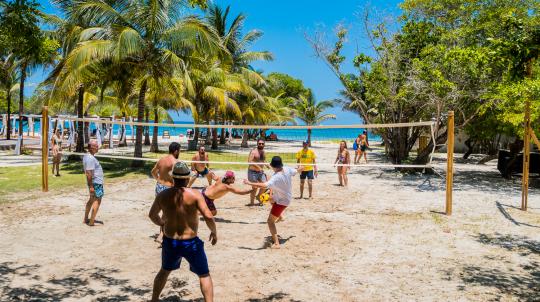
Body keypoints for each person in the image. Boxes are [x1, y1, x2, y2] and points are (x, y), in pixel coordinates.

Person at [149, 161, 217, 302]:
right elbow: (209, 216)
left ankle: (154, 299)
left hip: (171, 241)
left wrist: (162, 223)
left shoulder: (163, 195)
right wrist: (214, 232)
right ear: (187, 178)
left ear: (173, 178)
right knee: (204, 275)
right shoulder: (195, 194)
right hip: (191, 242)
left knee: (164, 271)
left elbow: (152, 215)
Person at [244, 156, 303, 249]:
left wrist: (249, 183)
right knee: (269, 198)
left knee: (270, 221)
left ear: (273, 166)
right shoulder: (287, 169)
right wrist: (300, 168)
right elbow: (296, 171)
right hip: (284, 197)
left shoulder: (276, 177)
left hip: (282, 202)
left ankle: (276, 244)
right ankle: (281, 217)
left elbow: (263, 185)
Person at [151, 142, 181, 243]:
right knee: (166, 213)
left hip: (159, 186)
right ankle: (161, 235)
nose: (179, 152)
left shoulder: (161, 160)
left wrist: (158, 180)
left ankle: (165, 232)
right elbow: (179, 178)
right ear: (176, 151)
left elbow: (153, 172)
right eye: (179, 150)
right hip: (168, 188)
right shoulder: (175, 162)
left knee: (162, 211)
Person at [83, 140, 104, 226]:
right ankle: (91, 222)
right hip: (96, 183)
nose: (98, 147)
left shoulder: (88, 156)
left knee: (91, 200)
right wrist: (91, 186)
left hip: (95, 182)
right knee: (97, 201)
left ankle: (85, 219)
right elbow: (88, 173)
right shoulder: (90, 158)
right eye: (96, 146)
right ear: (91, 147)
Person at [247, 139, 270, 206]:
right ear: (257, 144)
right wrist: (258, 167)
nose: (261, 145)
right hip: (252, 172)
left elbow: (263, 160)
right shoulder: (253, 151)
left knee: (265, 185)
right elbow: (250, 161)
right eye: (259, 143)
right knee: (255, 187)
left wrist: (267, 165)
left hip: (260, 172)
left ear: (264, 144)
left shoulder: (263, 152)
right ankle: (251, 202)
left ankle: (258, 196)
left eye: (262, 143)